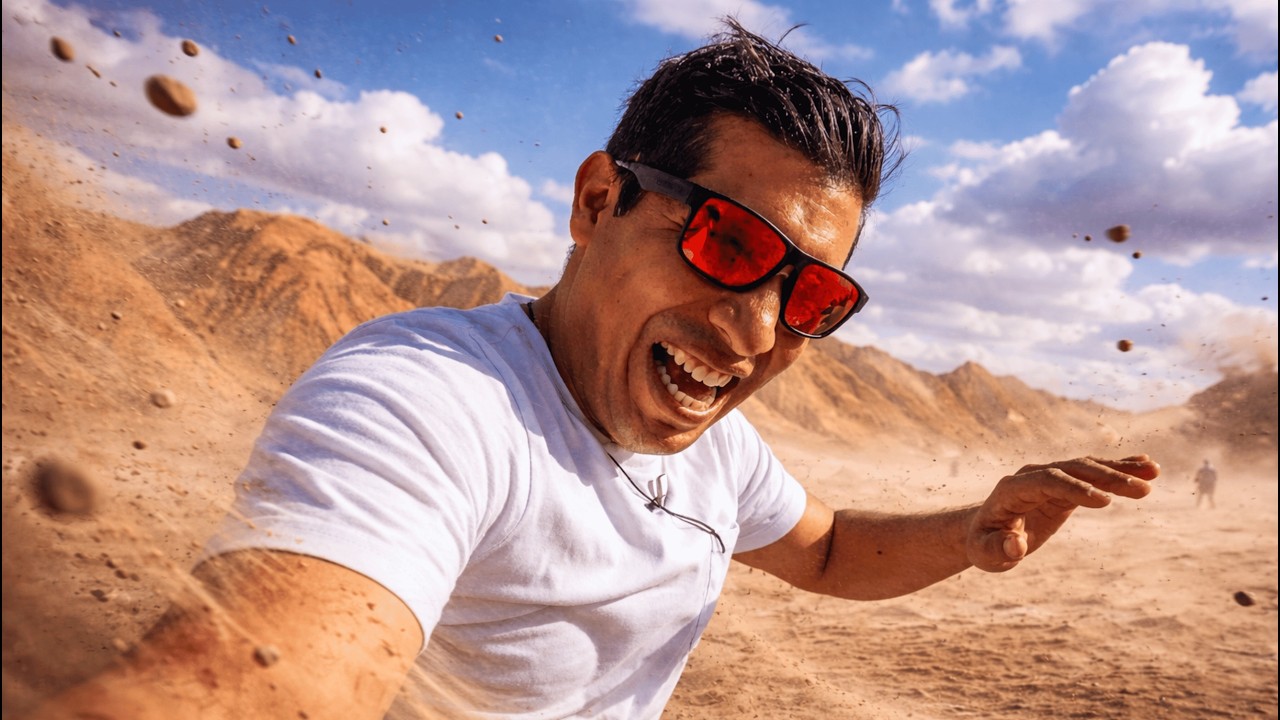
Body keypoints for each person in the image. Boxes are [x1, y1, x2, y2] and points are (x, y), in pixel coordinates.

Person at [28, 19, 1159, 720]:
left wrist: (970, 531)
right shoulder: (429, 398)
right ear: (596, 201)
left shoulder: (716, 449)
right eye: (726, 242)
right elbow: (260, 684)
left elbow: (823, 549)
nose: (755, 329)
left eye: (811, 297)